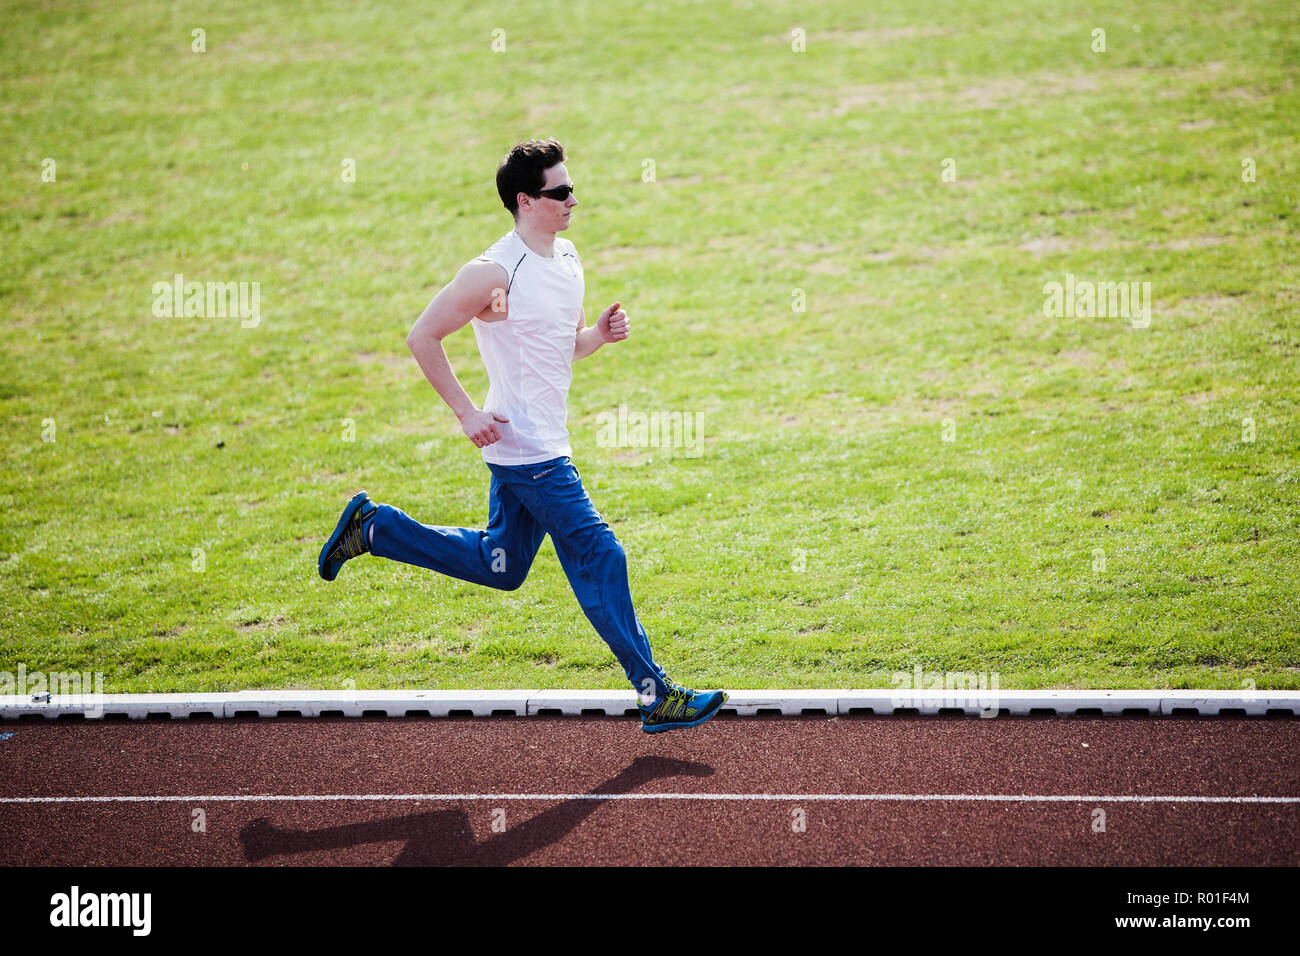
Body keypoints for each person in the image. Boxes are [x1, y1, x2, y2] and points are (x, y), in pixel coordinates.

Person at [318, 137, 727, 733]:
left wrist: (598, 337)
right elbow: (422, 337)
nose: (573, 201)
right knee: (601, 554)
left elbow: (561, 347)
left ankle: (376, 528)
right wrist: (466, 413)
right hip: (527, 447)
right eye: (561, 192)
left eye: (572, 189)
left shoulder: (568, 259)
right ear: (525, 200)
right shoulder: (492, 272)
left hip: (542, 441)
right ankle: (655, 693)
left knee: (502, 565)